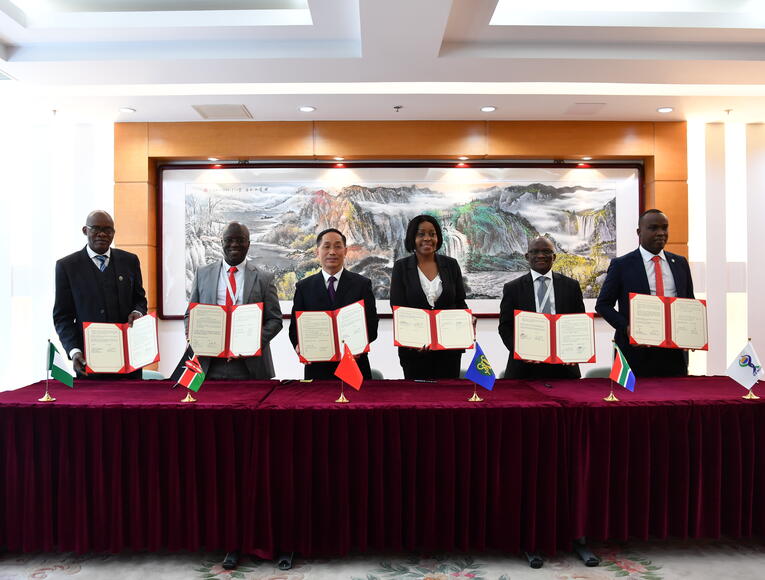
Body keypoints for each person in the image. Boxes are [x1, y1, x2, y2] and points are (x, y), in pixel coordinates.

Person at [595, 209, 694, 377]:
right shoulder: (622, 265)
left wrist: (692, 331)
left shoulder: (680, 263)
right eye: (653, 228)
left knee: (676, 401)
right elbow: (603, 305)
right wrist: (626, 327)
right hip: (635, 353)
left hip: (674, 355)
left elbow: (689, 302)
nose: (661, 233)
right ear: (639, 232)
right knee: (633, 403)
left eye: (665, 227)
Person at [53, 210, 147, 378]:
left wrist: (137, 312)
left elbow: (139, 300)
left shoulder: (130, 261)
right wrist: (74, 351)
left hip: (129, 363)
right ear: (85, 230)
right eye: (96, 229)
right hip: (89, 362)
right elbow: (63, 317)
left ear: (113, 233)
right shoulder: (67, 266)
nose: (102, 234)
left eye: (108, 230)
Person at [187, 221, 282, 381]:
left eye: (240, 240)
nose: (235, 245)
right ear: (221, 242)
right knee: (205, 405)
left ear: (248, 244)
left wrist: (250, 345)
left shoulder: (264, 278)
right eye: (229, 240)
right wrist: (192, 335)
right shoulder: (202, 274)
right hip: (207, 364)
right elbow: (190, 314)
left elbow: (275, 320)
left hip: (251, 365)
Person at [289, 228, 379, 379]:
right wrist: (299, 346)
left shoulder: (361, 285)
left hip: (354, 368)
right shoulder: (304, 287)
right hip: (317, 371)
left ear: (345, 251)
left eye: (337, 246)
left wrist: (359, 345)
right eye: (326, 246)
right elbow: (294, 330)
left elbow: (372, 326)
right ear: (317, 251)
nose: (332, 252)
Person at [389, 215, 469, 379]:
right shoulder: (401, 267)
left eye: (432, 234)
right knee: (419, 399)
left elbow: (460, 302)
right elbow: (398, 307)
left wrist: (468, 319)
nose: (427, 238)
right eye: (421, 234)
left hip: (449, 349)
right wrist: (413, 340)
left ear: (438, 238)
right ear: (413, 238)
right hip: (414, 350)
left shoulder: (451, 265)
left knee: (448, 399)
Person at [498, 236, 585, 379]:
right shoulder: (512, 288)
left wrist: (576, 351)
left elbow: (579, 323)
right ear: (527, 256)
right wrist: (520, 351)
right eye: (535, 252)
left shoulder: (571, 286)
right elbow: (505, 327)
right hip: (523, 369)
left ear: (554, 256)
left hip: (564, 367)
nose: (540, 256)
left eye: (546, 251)